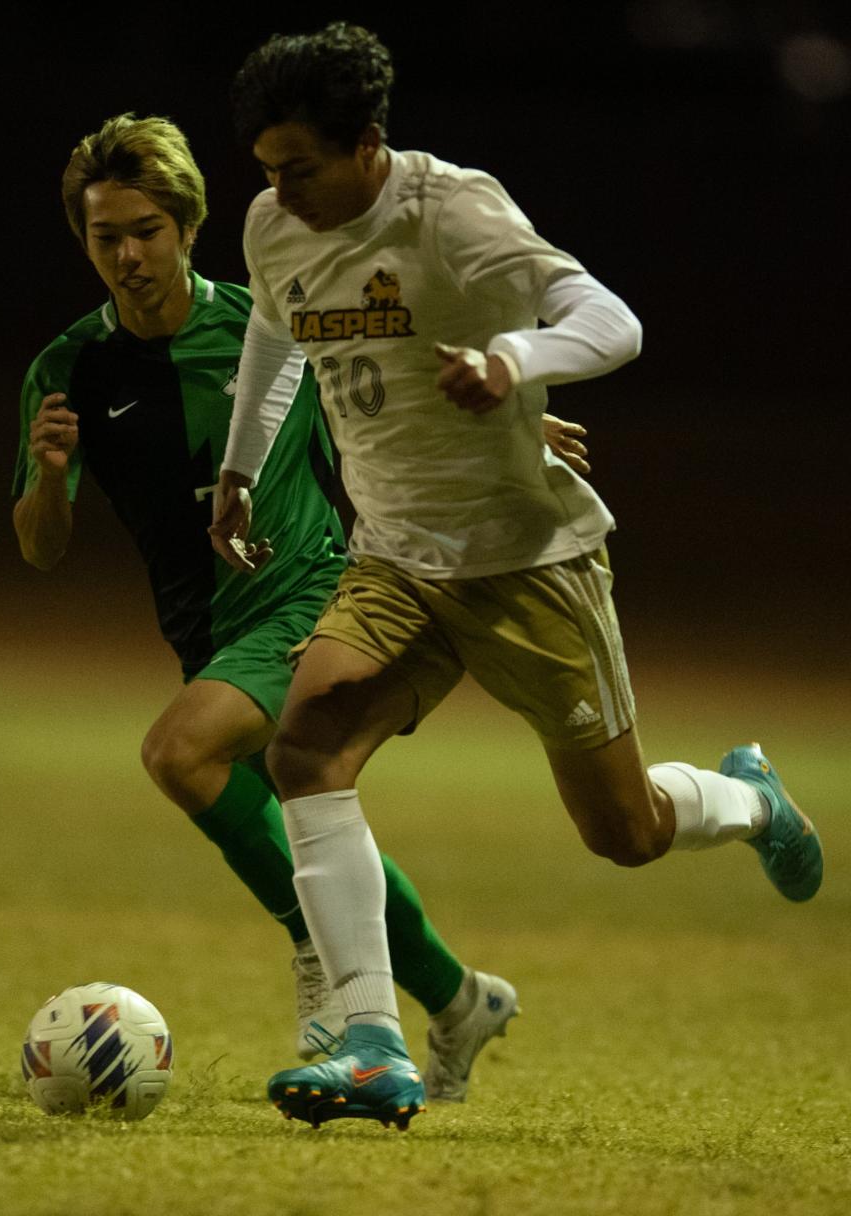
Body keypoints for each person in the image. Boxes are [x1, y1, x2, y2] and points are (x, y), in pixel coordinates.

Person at [215, 23, 824, 1131]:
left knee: (625, 830)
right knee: (304, 746)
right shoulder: (274, 224)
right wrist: (240, 467)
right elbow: (275, 332)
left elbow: (611, 320)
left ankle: (747, 797)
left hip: (525, 559)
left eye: (298, 165)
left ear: (368, 146)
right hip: (397, 555)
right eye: (264, 167)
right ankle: (371, 1041)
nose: (275, 190)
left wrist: (513, 359)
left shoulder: (450, 211)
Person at [12, 112, 591, 1102]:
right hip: (208, 633)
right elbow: (40, 546)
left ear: (187, 225)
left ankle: (324, 963)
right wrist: (48, 472)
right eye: (105, 235)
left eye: (145, 229)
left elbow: (398, 396)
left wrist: (517, 438)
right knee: (311, 825)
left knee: (178, 752)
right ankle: (459, 1000)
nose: (127, 254)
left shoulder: (267, 323)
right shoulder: (67, 369)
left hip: (314, 594)